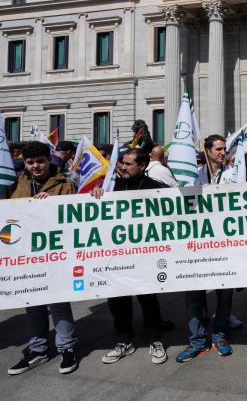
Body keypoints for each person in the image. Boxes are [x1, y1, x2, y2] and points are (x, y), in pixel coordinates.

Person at [0, 142, 79, 375]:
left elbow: (73, 213)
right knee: (32, 303)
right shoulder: (14, 183)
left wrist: (51, 201)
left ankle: (67, 348)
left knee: (58, 302)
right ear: (25, 163)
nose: (35, 166)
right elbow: (3, 212)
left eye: (40, 161)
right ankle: (38, 348)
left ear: (49, 159)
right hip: (24, 255)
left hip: (54, 255)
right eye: (30, 162)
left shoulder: (65, 184)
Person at [90, 148, 174, 365]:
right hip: (116, 256)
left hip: (145, 256)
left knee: (148, 298)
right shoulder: (112, 186)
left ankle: (155, 339)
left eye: (128, 164)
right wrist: (97, 193)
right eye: (122, 163)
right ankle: (123, 340)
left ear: (142, 166)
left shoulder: (156, 188)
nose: (122, 167)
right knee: (117, 299)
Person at [176, 134, 235, 363]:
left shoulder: (232, 175)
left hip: (224, 244)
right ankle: (197, 341)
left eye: (224, 149)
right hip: (197, 245)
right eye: (218, 149)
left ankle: (220, 336)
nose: (222, 152)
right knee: (193, 296)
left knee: (225, 294)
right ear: (207, 150)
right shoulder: (192, 176)